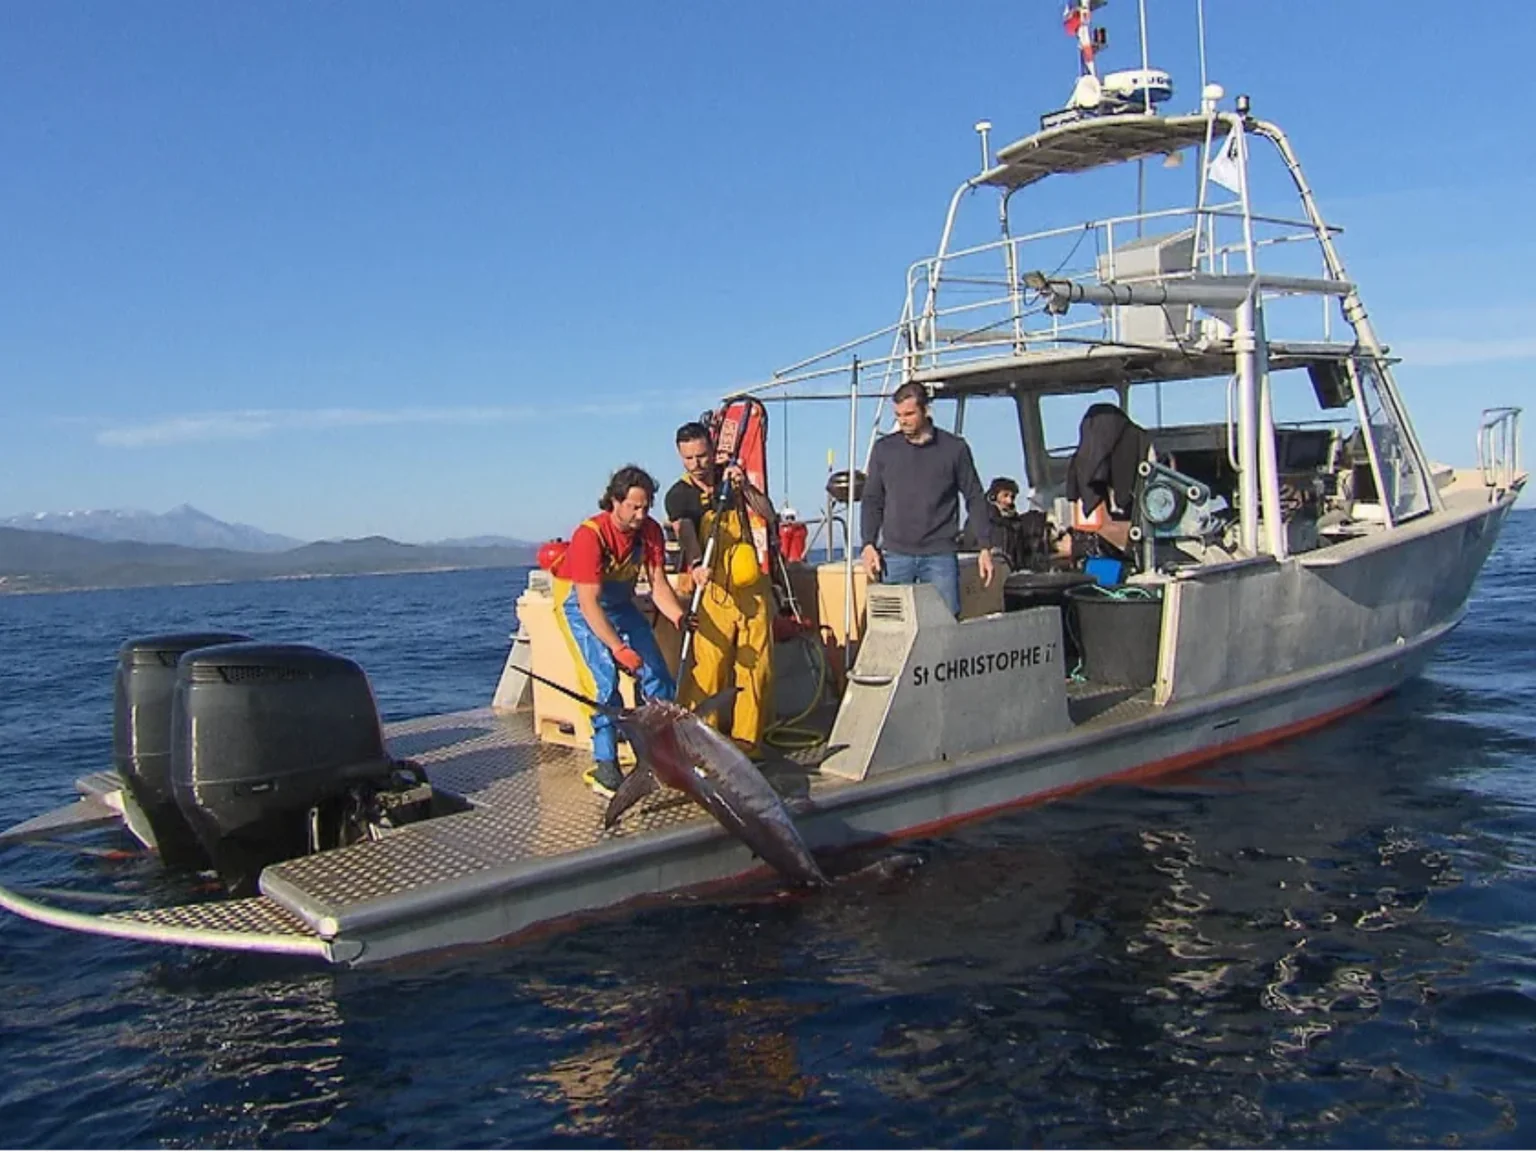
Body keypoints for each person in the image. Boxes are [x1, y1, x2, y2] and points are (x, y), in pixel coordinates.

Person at [551, 464, 693, 798]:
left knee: (657, 675)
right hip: (581, 609)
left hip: (621, 605)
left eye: (646, 507)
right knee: (604, 684)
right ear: (614, 502)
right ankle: (606, 766)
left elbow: (658, 585)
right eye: (634, 507)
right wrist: (617, 648)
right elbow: (588, 603)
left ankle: (660, 753)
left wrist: (679, 616)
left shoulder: (650, 531)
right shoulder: (590, 536)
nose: (641, 515)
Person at [666, 421, 777, 760]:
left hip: (750, 589)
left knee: (756, 668)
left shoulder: (731, 478)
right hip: (712, 590)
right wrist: (696, 563)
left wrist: (746, 489)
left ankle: (747, 745)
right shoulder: (679, 494)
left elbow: (768, 514)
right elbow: (685, 529)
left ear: (712, 450)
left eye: (702, 455)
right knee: (710, 668)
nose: (697, 464)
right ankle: (702, 744)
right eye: (688, 458)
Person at [860, 380, 994, 616]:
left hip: (939, 554)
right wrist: (868, 543)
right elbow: (872, 499)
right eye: (898, 415)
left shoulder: (954, 448)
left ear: (926, 410)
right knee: (894, 624)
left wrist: (985, 546)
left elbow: (974, 496)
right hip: (895, 555)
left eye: (909, 414)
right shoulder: (884, 450)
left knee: (945, 622)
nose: (903, 421)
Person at [960, 476, 1054, 573]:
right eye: (1005, 495)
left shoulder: (1015, 524)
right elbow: (968, 548)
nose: (1009, 501)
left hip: (1011, 574)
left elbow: (1020, 554)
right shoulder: (979, 520)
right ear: (993, 496)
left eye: (1012, 497)